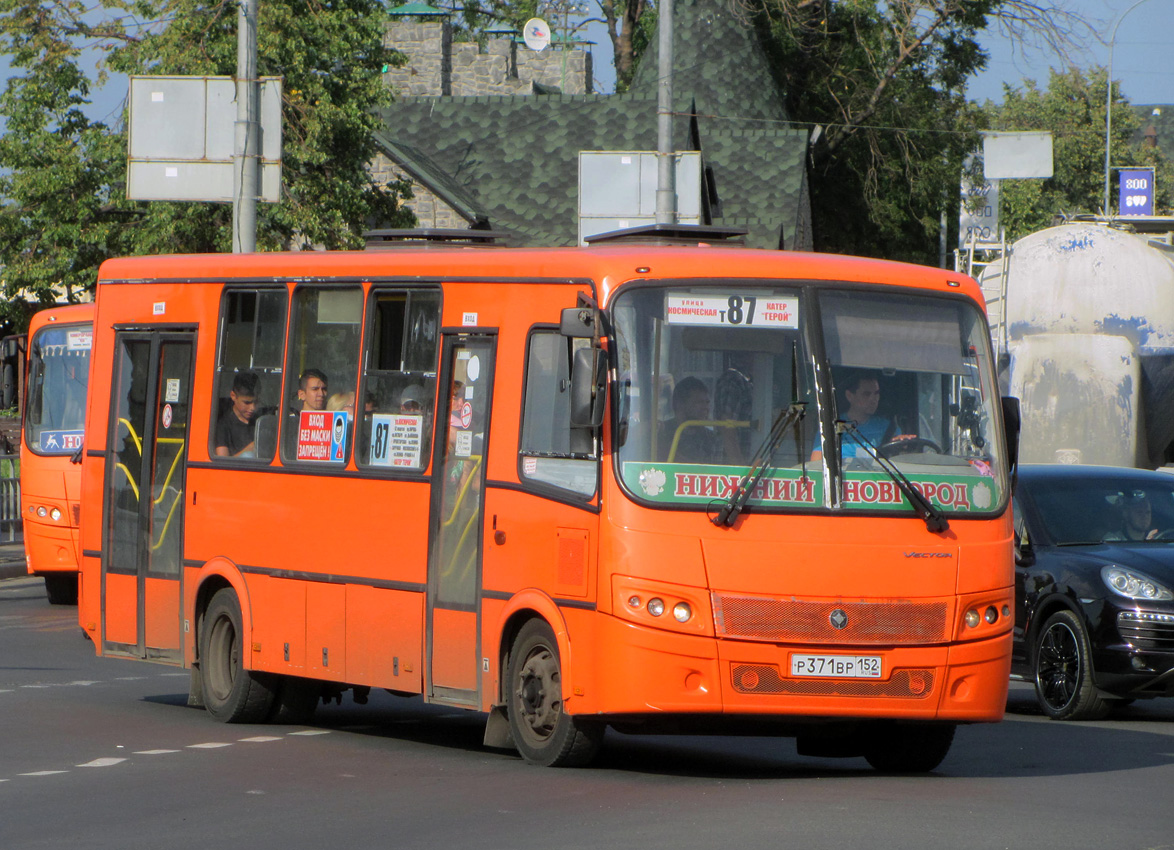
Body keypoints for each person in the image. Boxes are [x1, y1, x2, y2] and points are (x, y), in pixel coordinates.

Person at [812, 370, 894, 462]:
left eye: (876, 393)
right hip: (841, 475)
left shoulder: (889, 427)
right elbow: (816, 465)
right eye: (866, 394)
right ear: (849, 396)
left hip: (879, 476)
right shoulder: (831, 428)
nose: (873, 399)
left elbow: (899, 460)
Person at [659, 376, 721, 463]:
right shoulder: (661, 433)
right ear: (679, 404)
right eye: (699, 402)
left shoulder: (711, 439)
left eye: (707, 402)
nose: (705, 408)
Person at [215, 371, 260, 458]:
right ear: (233, 396)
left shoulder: (261, 420)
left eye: (256, 402)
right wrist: (250, 449)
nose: (252, 408)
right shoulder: (223, 426)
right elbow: (222, 464)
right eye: (247, 403)